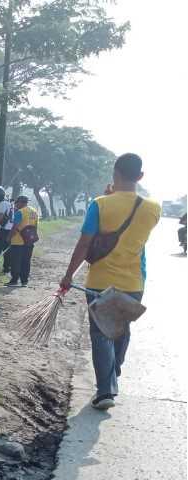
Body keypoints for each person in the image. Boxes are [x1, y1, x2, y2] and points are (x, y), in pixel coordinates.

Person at [59, 153, 161, 410]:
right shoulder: (153, 208)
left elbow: (85, 243)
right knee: (121, 328)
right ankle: (113, 373)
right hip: (134, 282)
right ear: (140, 176)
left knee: (101, 333)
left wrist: (69, 275)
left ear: (114, 173)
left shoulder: (100, 204)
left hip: (100, 281)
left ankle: (106, 389)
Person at [5, 195, 39, 286]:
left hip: (18, 241)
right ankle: (24, 281)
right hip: (29, 241)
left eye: (17, 203)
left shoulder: (20, 212)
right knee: (26, 261)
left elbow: (15, 227)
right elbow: (36, 226)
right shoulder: (34, 211)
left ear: (20, 203)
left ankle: (14, 280)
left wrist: (9, 237)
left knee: (15, 261)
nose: (16, 205)